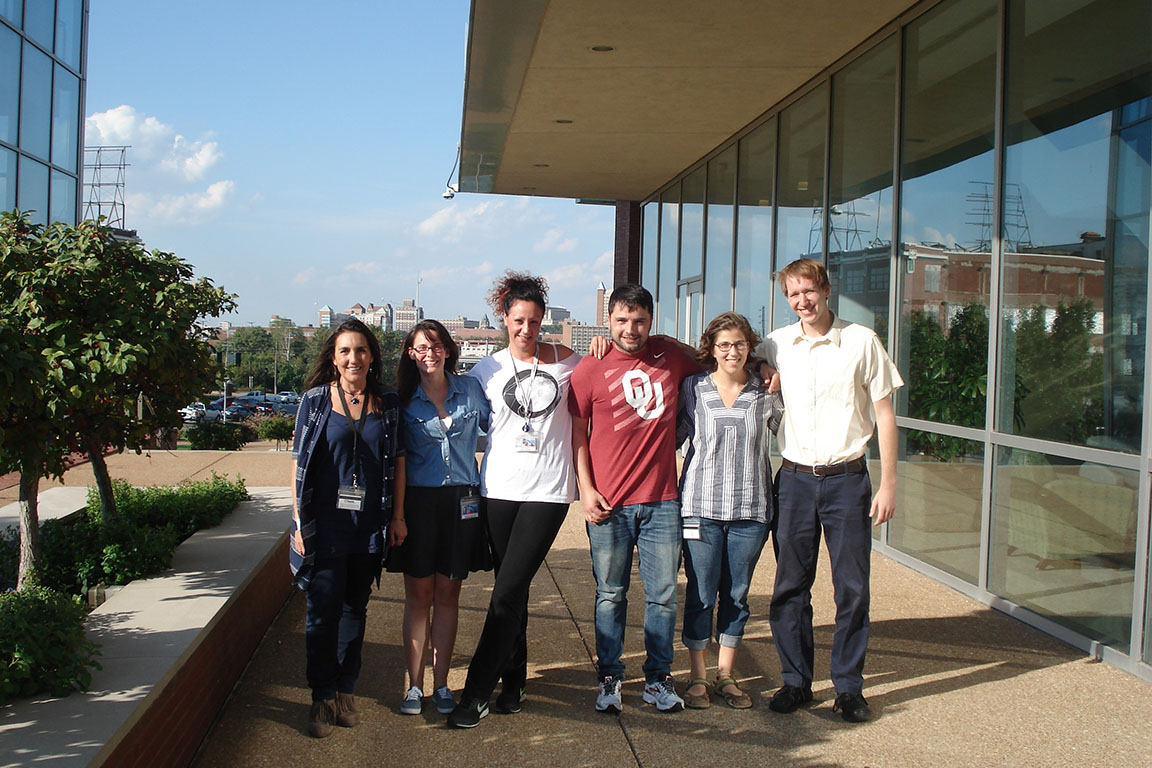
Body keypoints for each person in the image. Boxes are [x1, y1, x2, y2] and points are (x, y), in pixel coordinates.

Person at [756, 258, 902, 723]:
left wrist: (890, 483)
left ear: (826, 289)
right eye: (793, 295)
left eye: (809, 292)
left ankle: (848, 688)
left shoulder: (861, 341)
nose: (803, 302)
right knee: (790, 588)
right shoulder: (777, 343)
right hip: (795, 481)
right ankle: (796, 681)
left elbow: (884, 414)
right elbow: (726, 356)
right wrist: (763, 371)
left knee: (852, 589)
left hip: (847, 481)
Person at [447, 271, 582, 728]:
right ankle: (516, 680)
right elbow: (449, 405)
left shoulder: (570, 363)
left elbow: (608, 379)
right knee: (514, 590)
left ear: (544, 321)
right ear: (503, 318)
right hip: (498, 491)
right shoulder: (487, 370)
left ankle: (477, 692)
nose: (527, 330)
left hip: (548, 492)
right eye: (519, 320)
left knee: (504, 592)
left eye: (535, 321)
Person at [569, 284, 700, 714]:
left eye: (640, 320)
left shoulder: (669, 355)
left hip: (662, 500)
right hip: (609, 504)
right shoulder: (591, 367)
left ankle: (658, 679)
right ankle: (610, 678)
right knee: (611, 594)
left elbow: (715, 353)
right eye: (622, 320)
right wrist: (586, 491)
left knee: (662, 595)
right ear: (608, 320)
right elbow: (578, 437)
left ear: (651, 320)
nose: (631, 329)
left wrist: (762, 365)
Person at [290, 317, 405, 738]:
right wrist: (300, 523)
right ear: (333, 359)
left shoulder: (388, 402)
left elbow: (399, 462)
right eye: (345, 351)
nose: (353, 357)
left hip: (369, 526)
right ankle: (321, 696)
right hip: (326, 524)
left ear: (372, 356)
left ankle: (345, 690)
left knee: (355, 609)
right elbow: (297, 466)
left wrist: (397, 517)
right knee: (322, 612)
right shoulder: (315, 401)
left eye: (360, 350)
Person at [387, 320, 492, 717]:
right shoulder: (402, 400)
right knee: (419, 597)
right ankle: (414, 686)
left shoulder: (471, 390)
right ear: (411, 355)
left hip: (463, 503)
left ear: (448, 350)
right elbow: (396, 462)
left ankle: (443, 684)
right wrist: (397, 515)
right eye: (420, 348)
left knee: (449, 596)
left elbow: (502, 428)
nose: (429, 353)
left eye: (435, 346)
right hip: (418, 504)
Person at [676, 312, 774, 710]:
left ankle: (726, 675)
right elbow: (669, 440)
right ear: (711, 350)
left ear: (750, 347)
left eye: (739, 344)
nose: (732, 352)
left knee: (736, 595)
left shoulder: (766, 391)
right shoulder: (693, 389)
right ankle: (698, 677)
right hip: (700, 508)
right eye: (724, 345)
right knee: (700, 595)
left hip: (751, 511)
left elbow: (796, 432)